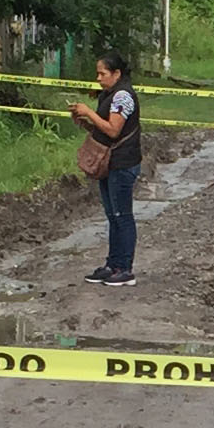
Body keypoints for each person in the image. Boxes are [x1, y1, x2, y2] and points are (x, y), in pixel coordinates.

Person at [68, 50, 142, 286]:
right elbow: (103, 132)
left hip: (123, 163)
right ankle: (112, 264)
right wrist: (87, 123)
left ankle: (125, 268)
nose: (98, 78)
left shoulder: (123, 97)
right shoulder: (109, 95)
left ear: (116, 73)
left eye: (102, 73)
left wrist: (89, 111)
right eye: (97, 73)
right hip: (109, 162)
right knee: (113, 216)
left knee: (122, 216)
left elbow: (113, 130)